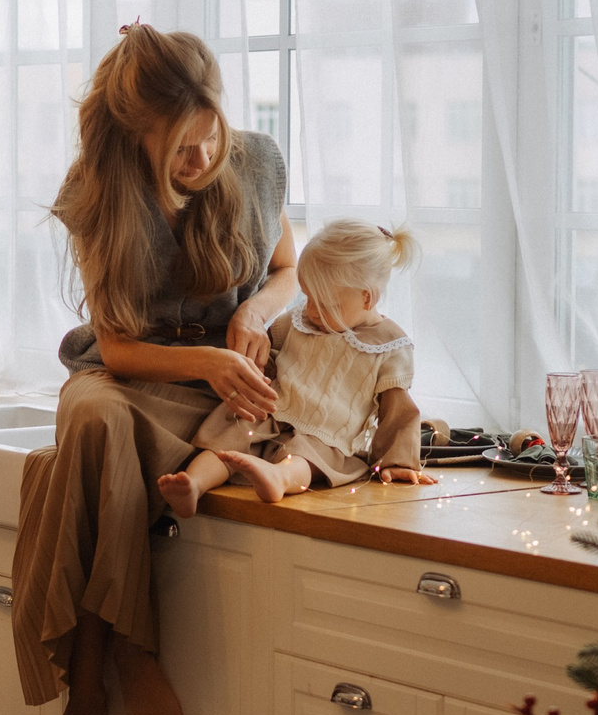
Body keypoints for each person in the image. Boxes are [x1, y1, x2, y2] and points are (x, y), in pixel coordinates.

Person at [16, 25, 391, 715]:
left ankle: (97, 677)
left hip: (229, 384)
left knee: (93, 460)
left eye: (211, 134)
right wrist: (206, 362)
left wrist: (252, 313)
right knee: (93, 421)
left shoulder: (255, 161)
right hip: (134, 373)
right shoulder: (98, 189)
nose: (203, 156)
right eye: (181, 146)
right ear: (136, 134)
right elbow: (115, 347)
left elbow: (286, 269)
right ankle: (120, 660)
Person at [159, 219, 435, 515]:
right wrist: (258, 371)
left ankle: (278, 478)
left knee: (305, 458)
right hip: (269, 416)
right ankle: (194, 484)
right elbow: (268, 355)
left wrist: (397, 462)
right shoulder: (297, 321)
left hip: (325, 436)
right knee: (228, 439)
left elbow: (398, 413)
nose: (311, 311)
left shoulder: (389, 346)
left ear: (366, 297)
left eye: (325, 304)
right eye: (308, 297)